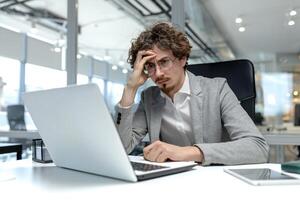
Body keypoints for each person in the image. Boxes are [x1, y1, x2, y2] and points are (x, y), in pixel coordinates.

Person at [115, 22, 269, 165]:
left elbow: (258, 148)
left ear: (182, 58)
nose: (158, 73)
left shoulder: (217, 89)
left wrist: (191, 152)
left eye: (164, 62)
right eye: (150, 66)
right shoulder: (149, 97)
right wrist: (130, 89)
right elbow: (123, 147)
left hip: (214, 178)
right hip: (170, 180)